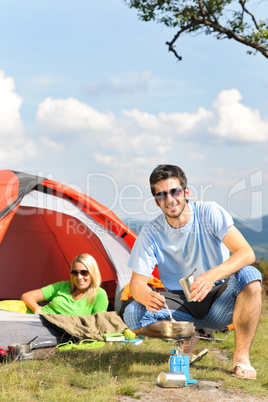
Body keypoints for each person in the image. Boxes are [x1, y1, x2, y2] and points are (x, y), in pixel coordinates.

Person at [123, 164, 262, 380]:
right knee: (133, 314)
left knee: (251, 277)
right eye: (161, 194)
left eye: (174, 191)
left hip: (218, 298)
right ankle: (190, 334)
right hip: (180, 305)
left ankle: (241, 358)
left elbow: (246, 253)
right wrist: (145, 295)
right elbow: (136, 284)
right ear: (156, 201)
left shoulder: (209, 212)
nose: (169, 199)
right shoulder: (150, 232)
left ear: (186, 192)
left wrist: (211, 275)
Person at [21, 253, 109, 315]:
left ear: (93, 273)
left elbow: (98, 324)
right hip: (34, 319)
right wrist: (37, 308)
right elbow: (26, 296)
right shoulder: (63, 286)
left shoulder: (99, 294)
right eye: (75, 273)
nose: (79, 277)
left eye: (84, 272)